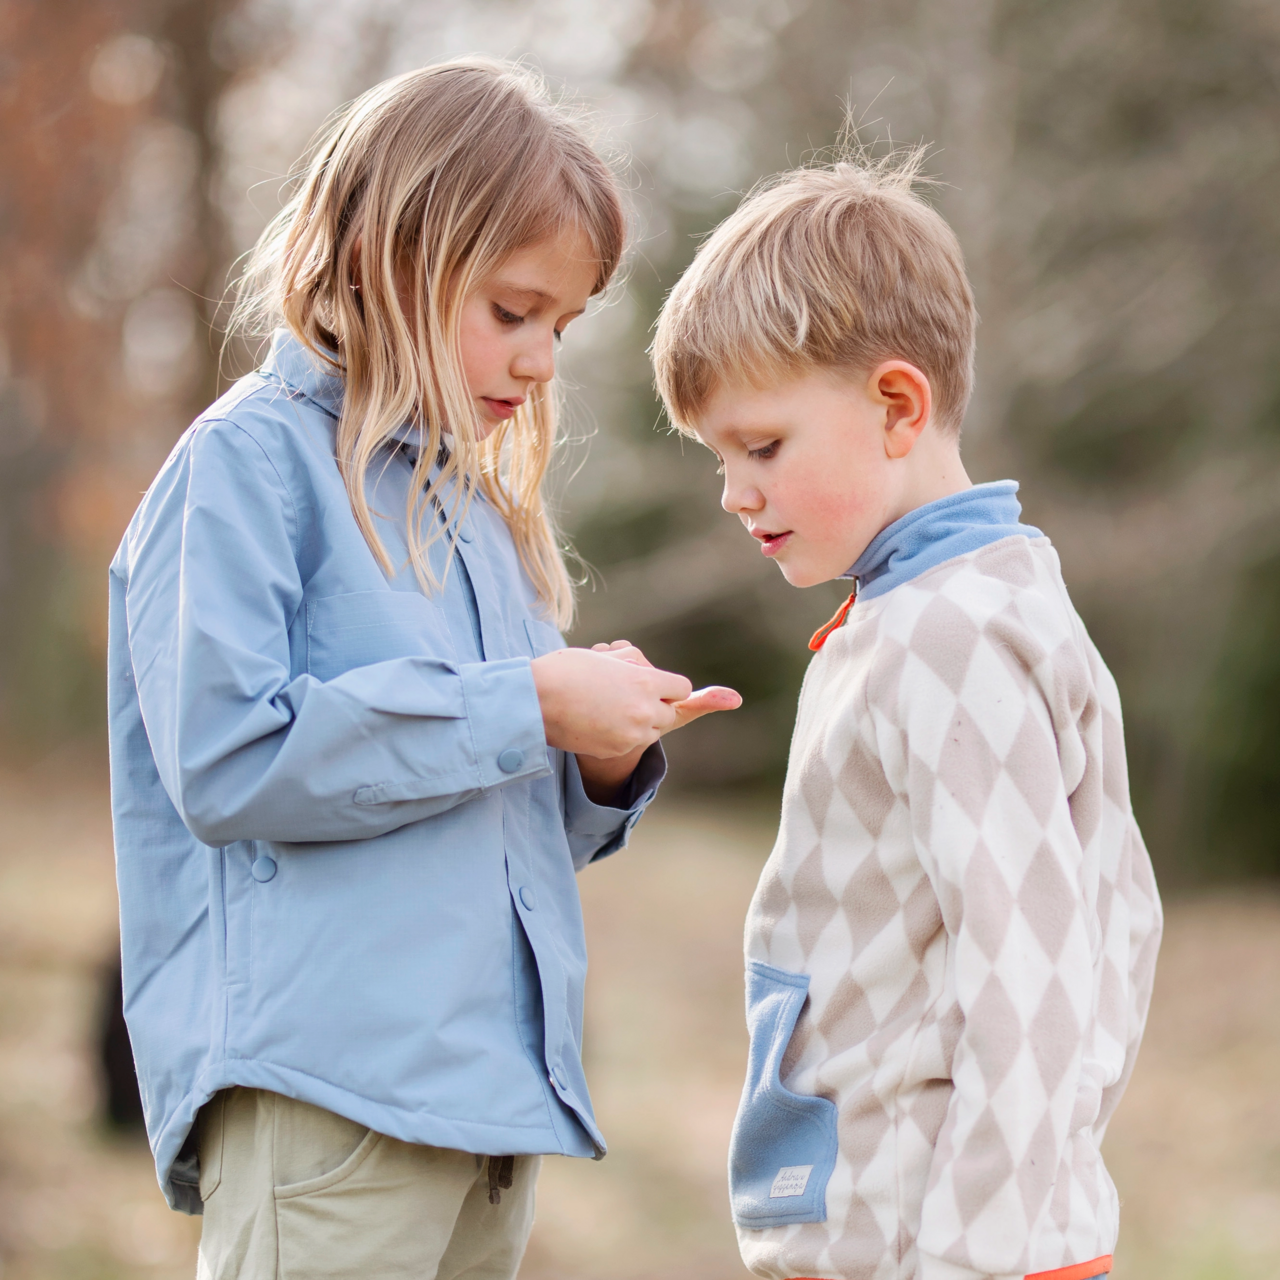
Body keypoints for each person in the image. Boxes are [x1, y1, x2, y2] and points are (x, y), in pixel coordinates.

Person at [108, 58, 739, 1280]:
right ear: (378, 260)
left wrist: (593, 763)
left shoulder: (473, 516)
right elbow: (229, 759)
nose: (542, 359)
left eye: (561, 324)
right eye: (511, 311)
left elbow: (472, 810)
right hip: (330, 1099)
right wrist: (527, 699)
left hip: (485, 1109)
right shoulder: (246, 469)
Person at [651, 149, 1162, 1280]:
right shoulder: (931, 609)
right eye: (719, 458)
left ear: (896, 406)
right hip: (887, 1223)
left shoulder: (949, 633)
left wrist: (968, 1252)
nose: (734, 492)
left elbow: (1035, 973)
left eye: (761, 446)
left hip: (931, 1244)